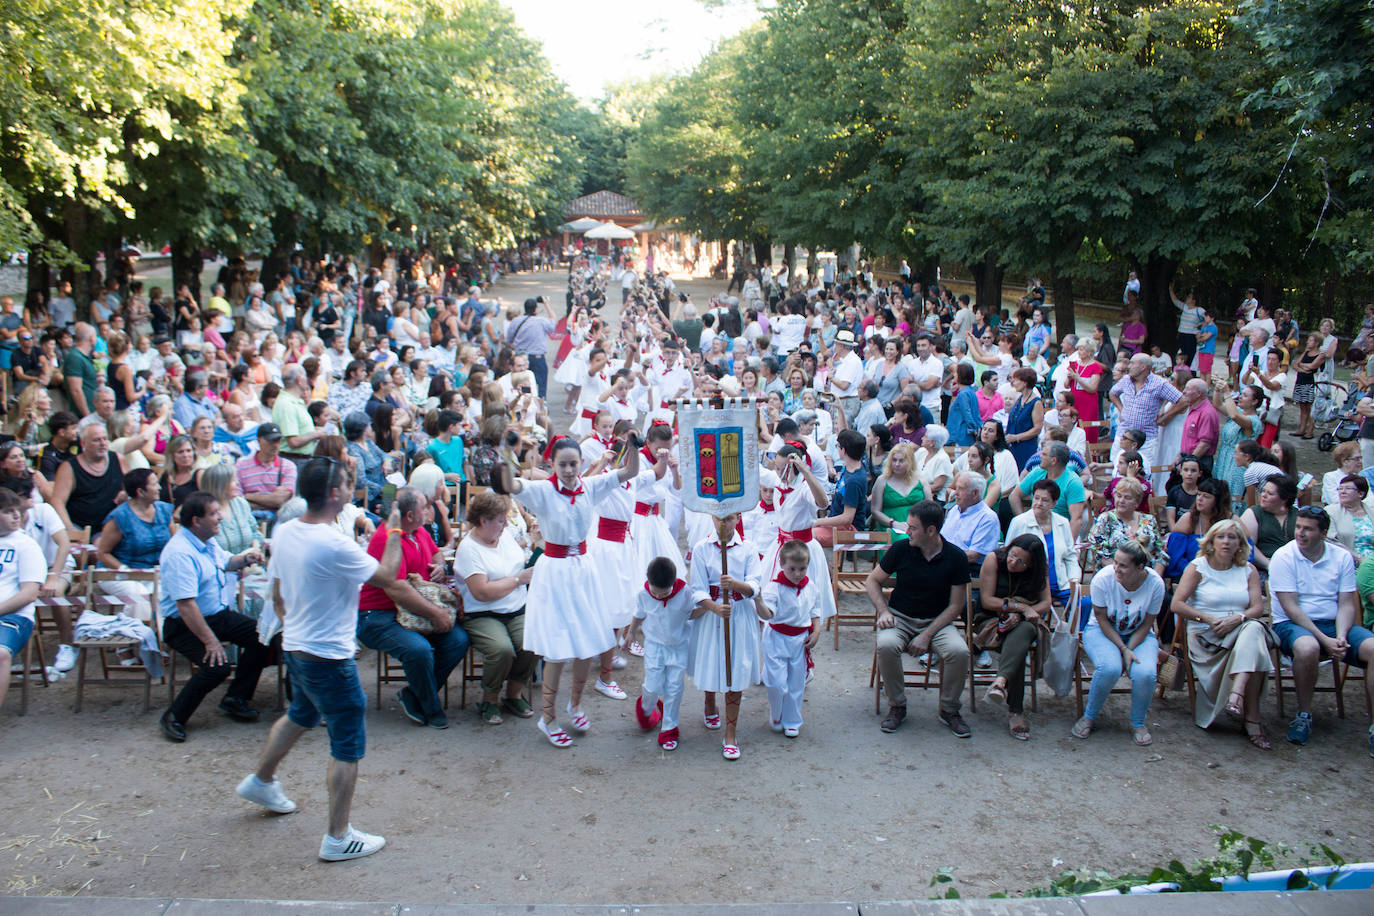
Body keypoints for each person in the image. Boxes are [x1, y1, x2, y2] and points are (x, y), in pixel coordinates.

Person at [238, 459, 404, 861]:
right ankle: (337, 836)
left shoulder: (286, 531)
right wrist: (395, 526)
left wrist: (298, 628)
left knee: (301, 714)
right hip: (328, 655)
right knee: (346, 742)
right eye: (347, 483)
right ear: (334, 493)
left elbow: (277, 595)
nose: (352, 489)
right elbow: (389, 574)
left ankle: (261, 781)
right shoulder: (333, 543)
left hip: (296, 645)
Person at [494, 436, 640, 747]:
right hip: (556, 571)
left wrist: (634, 447)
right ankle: (547, 718)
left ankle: (575, 704)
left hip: (584, 570)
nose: (570, 470)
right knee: (558, 649)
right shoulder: (544, 490)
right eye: (563, 464)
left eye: (574, 464)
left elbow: (629, 472)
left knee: (588, 641)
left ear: (581, 463)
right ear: (553, 464)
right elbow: (511, 486)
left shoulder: (591, 485)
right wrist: (503, 461)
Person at [158, 492, 269, 743]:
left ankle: (236, 697)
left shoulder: (206, 540)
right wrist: (211, 642)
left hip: (217, 615)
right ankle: (174, 716)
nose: (221, 517)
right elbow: (186, 606)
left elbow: (226, 562)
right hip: (184, 625)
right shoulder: (179, 553)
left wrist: (245, 558)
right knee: (216, 666)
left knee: (264, 637)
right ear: (196, 521)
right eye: (214, 514)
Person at [356, 486, 469, 729]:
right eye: (425, 507)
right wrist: (436, 613)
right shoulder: (385, 538)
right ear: (410, 516)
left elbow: (436, 554)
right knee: (419, 651)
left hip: (409, 611)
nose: (430, 511)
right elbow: (396, 588)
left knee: (458, 640)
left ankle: (413, 695)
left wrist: (439, 567)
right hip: (378, 614)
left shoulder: (419, 532)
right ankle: (431, 707)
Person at [1269, 507, 1374, 752]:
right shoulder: (1284, 556)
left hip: (1334, 623)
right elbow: (1291, 608)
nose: (1301, 533)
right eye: (1298, 527)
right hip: (1292, 624)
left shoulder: (1341, 557)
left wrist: (1339, 636)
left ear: (1324, 533)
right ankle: (1303, 714)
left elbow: (1347, 603)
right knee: (1308, 648)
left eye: (1308, 529)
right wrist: (1325, 641)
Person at [868, 500, 972, 738]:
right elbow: (872, 581)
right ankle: (897, 706)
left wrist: (926, 635)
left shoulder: (956, 557)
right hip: (900, 617)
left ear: (931, 531)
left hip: (937, 621)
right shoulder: (902, 549)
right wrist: (884, 611)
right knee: (886, 645)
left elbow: (956, 605)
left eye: (913, 527)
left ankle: (949, 709)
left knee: (959, 651)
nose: (907, 531)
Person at [1170, 519, 1273, 748]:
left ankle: (1237, 693)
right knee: (1254, 643)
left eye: (1232, 537)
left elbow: (1257, 608)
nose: (1226, 542)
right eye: (1221, 537)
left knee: (1254, 628)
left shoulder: (1249, 570)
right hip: (1207, 633)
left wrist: (1238, 618)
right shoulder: (1198, 567)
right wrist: (1206, 618)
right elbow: (1177, 604)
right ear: (1212, 541)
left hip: (1240, 629)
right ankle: (1251, 718)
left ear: (1240, 544)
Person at [688, 510, 768, 760]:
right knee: (713, 664)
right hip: (713, 616)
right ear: (712, 518)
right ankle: (709, 701)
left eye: (730, 519)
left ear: (738, 518)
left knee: (736, 669)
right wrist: (713, 607)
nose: (724, 524)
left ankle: (730, 733)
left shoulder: (748, 548)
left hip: (739, 616)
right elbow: (697, 590)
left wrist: (735, 585)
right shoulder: (702, 548)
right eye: (719, 519)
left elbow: (755, 585)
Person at [454, 490, 538, 725]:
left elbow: (521, 560)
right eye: (500, 521)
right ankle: (489, 699)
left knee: (532, 640)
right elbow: (481, 592)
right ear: (483, 521)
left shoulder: (505, 537)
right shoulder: (469, 549)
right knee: (501, 649)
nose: (505, 525)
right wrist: (517, 581)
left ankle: (513, 694)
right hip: (483, 613)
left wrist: (536, 543)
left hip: (516, 608)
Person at [1073, 542, 1165, 746]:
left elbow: (1148, 623)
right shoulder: (1103, 579)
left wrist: (1130, 648)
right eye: (1116, 562)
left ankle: (1138, 722)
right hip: (1101, 631)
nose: (1116, 568)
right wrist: (1123, 650)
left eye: (1123, 565)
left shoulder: (1155, 584)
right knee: (1109, 668)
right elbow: (1101, 618)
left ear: (1140, 568)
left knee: (1146, 673)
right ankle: (1089, 715)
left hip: (1139, 633)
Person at [977, 535, 1052, 740]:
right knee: (1019, 643)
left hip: (1023, 623)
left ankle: (1000, 682)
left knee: (1024, 631)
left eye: (1021, 562)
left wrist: (1020, 615)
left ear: (1032, 564)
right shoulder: (995, 559)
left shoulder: (1039, 571)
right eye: (1012, 556)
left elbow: (1046, 603)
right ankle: (1015, 711)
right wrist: (1021, 608)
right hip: (991, 619)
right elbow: (987, 600)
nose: (1013, 563)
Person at [626, 556, 701, 752]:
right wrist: (631, 632)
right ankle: (647, 707)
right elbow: (640, 613)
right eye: (655, 593)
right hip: (654, 646)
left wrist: (709, 609)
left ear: (673, 583)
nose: (658, 597)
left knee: (674, 688)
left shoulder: (685, 593)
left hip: (678, 647)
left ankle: (669, 728)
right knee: (652, 686)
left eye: (663, 593)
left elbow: (694, 611)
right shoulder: (643, 594)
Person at [759, 539, 822, 738]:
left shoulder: (810, 586)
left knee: (796, 682)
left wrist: (817, 630)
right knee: (777, 682)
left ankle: (792, 719)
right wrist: (757, 601)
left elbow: (815, 609)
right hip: (777, 637)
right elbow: (768, 614)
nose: (797, 574)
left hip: (800, 640)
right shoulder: (773, 588)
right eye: (792, 568)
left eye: (802, 568)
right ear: (782, 565)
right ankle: (776, 714)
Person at [0, 488, 46, 712]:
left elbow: (29, 593)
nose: (16, 516)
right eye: (8, 512)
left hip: (13, 616)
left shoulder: (25, 545)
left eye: (16, 510)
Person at [50, 421, 125, 535]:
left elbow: (132, 486)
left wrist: (126, 493)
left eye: (105, 439)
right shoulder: (69, 467)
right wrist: (70, 530)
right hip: (81, 527)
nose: (102, 443)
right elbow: (57, 501)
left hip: (112, 525)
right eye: (96, 440)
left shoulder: (118, 459)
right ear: (83, 443)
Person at [1110, 353, 1182, 468]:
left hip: (1147, 439)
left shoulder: (1159, 383)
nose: (1129, 366)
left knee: (1143, 471)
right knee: (1117, 469)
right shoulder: (1126, 380)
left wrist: (1166, 416)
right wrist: (1121, 409)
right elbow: (1113, 393)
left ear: (1143, 367)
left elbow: (1181, 400)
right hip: (1123, 434)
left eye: (1132, 363)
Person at [1012, 441, 1087, 539]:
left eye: (1044, 454)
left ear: (1053, 460)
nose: (1039, 457)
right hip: (1033, 530)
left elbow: (1076, 519)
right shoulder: (1037, 472)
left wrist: (1068, 547)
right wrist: (1024, 522)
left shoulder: (1073, 482)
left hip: (1060, 532)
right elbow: (1014, 496)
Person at [1088, 478, 1162, 569]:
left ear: (1137, 502)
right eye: (1119, 496)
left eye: (1127, 498)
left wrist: (1155, 577)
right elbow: (1102, 556)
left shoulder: (1149, 520)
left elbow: (1160, 553)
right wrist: (1128, 574)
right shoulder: (1105, 519)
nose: (1121, 501)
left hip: (1147, 574)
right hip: (1116, 574)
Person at [813, 428, 867, 548]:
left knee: (804, 536)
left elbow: (847, 518)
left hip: (850, 530)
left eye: (837, 446)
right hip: (836, 523)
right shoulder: (849, 466)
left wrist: (817, 522)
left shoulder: (854, 481)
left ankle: (823, 566)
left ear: (843, 450)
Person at [941, 472, 1001, 580]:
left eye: (961, 489)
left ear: (975, 493)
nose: (955, 493)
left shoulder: (988, 517)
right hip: (945, 565)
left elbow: (973, 556)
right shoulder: (954, 509)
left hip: (968, 572)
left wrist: (941, 560)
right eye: (956, 488)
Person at [236, 423, 297, 523]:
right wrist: (271, 499)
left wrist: (248, 496)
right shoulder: (241, 466)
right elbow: (237, 501)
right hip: (249, 520)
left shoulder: (288, 466)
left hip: (277, 522)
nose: (275, 445)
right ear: (259, 441)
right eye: (270, 441)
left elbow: (280, 500)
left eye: (278, 440)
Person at [1239, 474, 1298, 574]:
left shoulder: (1298, 515)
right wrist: (1268, 564)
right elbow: (1247, 544)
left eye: (1270, 493)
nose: (1263, 495)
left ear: (1284, 499)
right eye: (1263, 491)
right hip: (1262, 569)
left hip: (1294, 567)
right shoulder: (1253, 513)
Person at [870, 443, 922, 543]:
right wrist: (893, 523)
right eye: (894, 460)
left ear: (910, 462)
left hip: (917, 527)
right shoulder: (882, 480)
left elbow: (930, 507)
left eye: (901, 461)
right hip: (890, 527)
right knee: (904, 541)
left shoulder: (921, 479)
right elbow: (875, 511)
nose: (897, 464)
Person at [1176, 379, 1220, 474]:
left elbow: (1204, 444)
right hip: (1188, 458)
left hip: (1198, 461)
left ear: (1199, 393)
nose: (1184, 391)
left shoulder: (1207, 413)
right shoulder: (1193, 408)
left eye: (1188, 389)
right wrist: (1179, 456)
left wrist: (1188, 463)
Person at [1003, 368, 1044, 470]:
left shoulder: (1036, 402)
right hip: (1012, 446)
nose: (1013, 383)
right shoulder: (1020, 399)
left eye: (1016, 380)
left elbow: (1037, 428)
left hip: (1025, 447)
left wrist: (1017, 437)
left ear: (1025, 383)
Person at [1321, 441, 1365, 507]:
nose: (1360, 462)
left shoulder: (1361, 477)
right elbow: (1334, 500)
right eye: (1357, 459)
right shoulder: (1330, 477)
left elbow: (1370, 499)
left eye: (1360, 458)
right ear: (1345, 461)